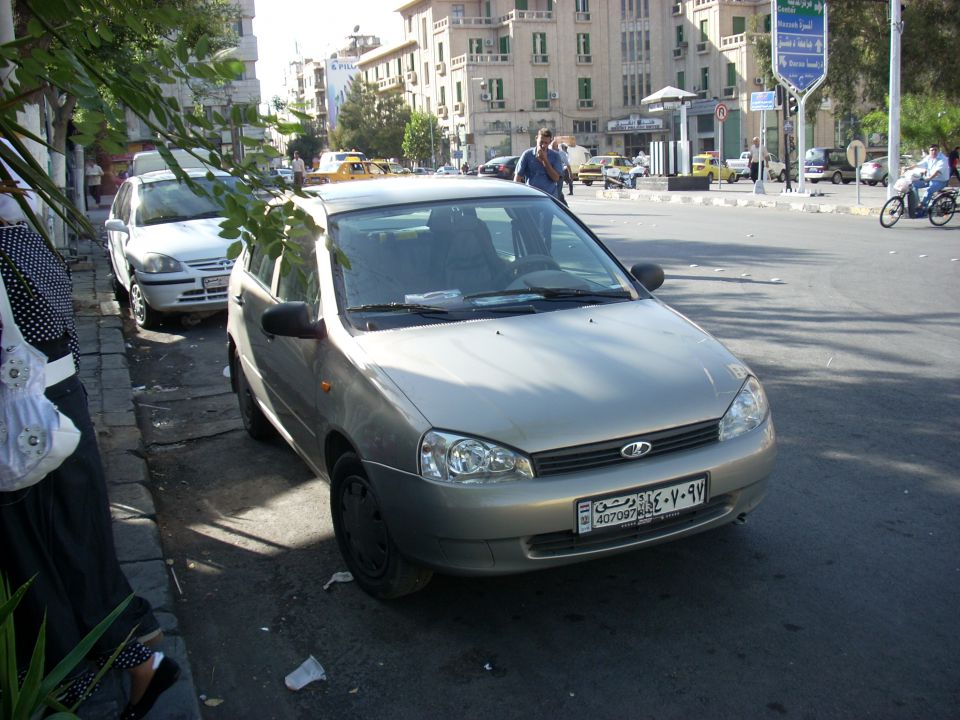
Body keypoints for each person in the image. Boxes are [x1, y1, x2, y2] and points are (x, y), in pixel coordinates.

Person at [0, 140, 179, 720]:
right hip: (64, 407)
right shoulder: (25, 242)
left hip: (20, 425)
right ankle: (136, 658)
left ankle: (69, 687)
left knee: (31, 561)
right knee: (82, 547)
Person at [514, 127, 564, 200]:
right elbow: (517, 178)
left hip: (549, 197)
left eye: (546, 143)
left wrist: (545, 160)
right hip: (531, 196)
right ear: (536, 138)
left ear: (550, 142)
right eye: (541, 142)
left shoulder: (555, 156)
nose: (543, 145)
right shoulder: (527, 155)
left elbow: (556, 178)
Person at [905, 143, 949, 212]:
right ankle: (919, 203)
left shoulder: (943, 159)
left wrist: (929, 178)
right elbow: (918, 164)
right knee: (913, 185)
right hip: (929, 179)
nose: (934, 152)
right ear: (929, 151)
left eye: (935, 150)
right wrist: (907, 168)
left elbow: (937, 172)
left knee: (929, 190)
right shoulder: (928, 157)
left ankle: (923, 207)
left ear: (938, 151)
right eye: (932, 150)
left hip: (940, 181)